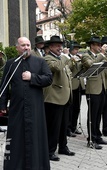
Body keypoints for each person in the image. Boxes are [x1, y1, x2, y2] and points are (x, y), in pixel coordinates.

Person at [0, 37, 52, 170]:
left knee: (35, 137)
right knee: (16, 138)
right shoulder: (11, 64)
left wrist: (32, 77)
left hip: (35, 108)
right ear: (17, 48)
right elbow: (4, 86)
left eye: (28, 45)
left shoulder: (40, 62)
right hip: (17, 108)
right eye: (23, 45)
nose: (26, 48)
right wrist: (2, 105)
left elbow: (49, 79)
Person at [43, 35, 75, 162]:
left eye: (60, 45)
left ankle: (63, 147)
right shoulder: (47, 58)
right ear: (50, 47)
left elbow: (69, 72)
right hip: (54, 98)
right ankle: (50, 151)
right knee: (53, 127)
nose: (60, 48)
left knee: (63, 126)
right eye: (57, 46)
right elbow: (56, 67)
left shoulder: (61, 58)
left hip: (65, 97)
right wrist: (66, 57)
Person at [81, 36, 107, 150]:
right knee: (92, 116)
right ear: (92, 45)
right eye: (98, 45)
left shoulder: (101, 56)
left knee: (99, 115)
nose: (99, 47)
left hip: (102, 88)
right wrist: (102, 55)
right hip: (92, 89)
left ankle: (98, 136)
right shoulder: (86, 55)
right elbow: (90, 65)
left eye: (100, 45)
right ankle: (91, 139)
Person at [67, 41, 85, 137]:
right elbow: (67, 68)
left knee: (77, 108)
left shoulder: (78, 57)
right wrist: (72, 60)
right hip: (71, 85)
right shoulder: (67, 57)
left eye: (78, 49)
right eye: (75, 49)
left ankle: (74, 126)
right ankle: (68, 128)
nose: (77, 51)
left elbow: (84, 68)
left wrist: (83, 60)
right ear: (71, 50)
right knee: (70, 108)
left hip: (79, 85)